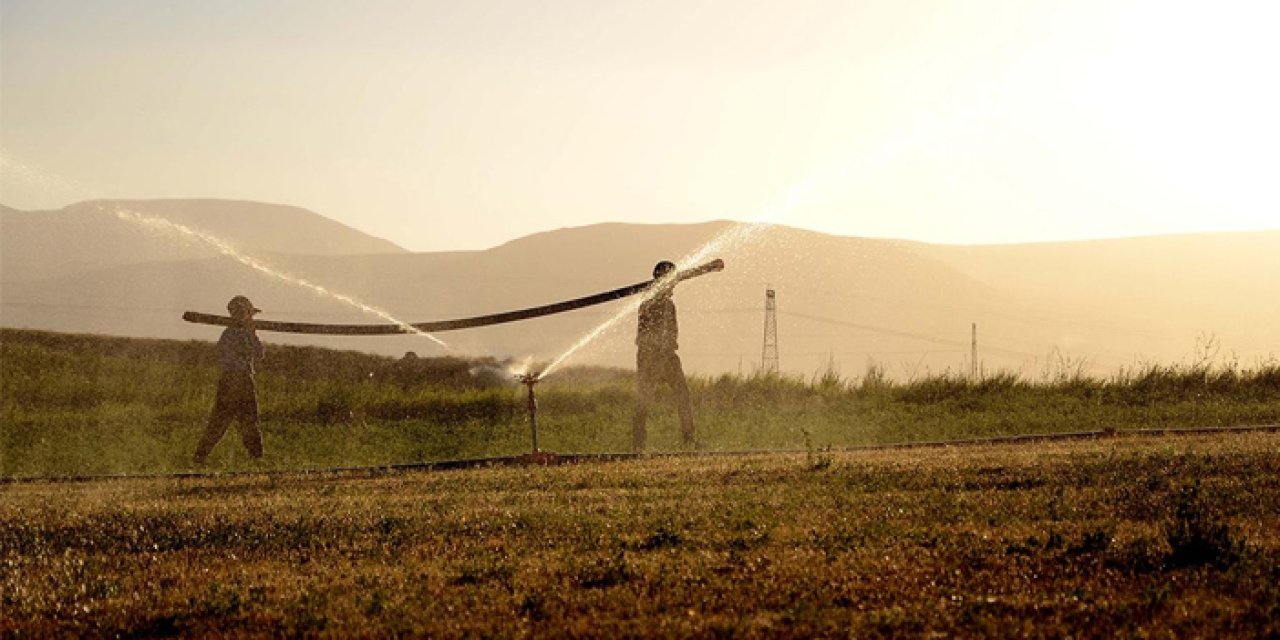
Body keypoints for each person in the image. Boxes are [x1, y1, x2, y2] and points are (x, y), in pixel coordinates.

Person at [633, 260, 696, 451]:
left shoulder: (668, 305)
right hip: (650, 358)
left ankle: (689, 441)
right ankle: (639, 445)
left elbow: (670, 333)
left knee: (683, 396)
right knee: (644, 401)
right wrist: (656, 353)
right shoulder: (649, 304)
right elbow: (645, 335)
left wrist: (666, 350)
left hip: (668, 357)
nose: (674, 285)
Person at [194, 295, 265, 464]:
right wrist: (252, 334)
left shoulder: (229, 334)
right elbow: (258, 354)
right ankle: (256, 458)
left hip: (231, 379)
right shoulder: (239, 334)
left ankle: (200, 456)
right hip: (240, 379)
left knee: (223, 420)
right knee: (245, 420)